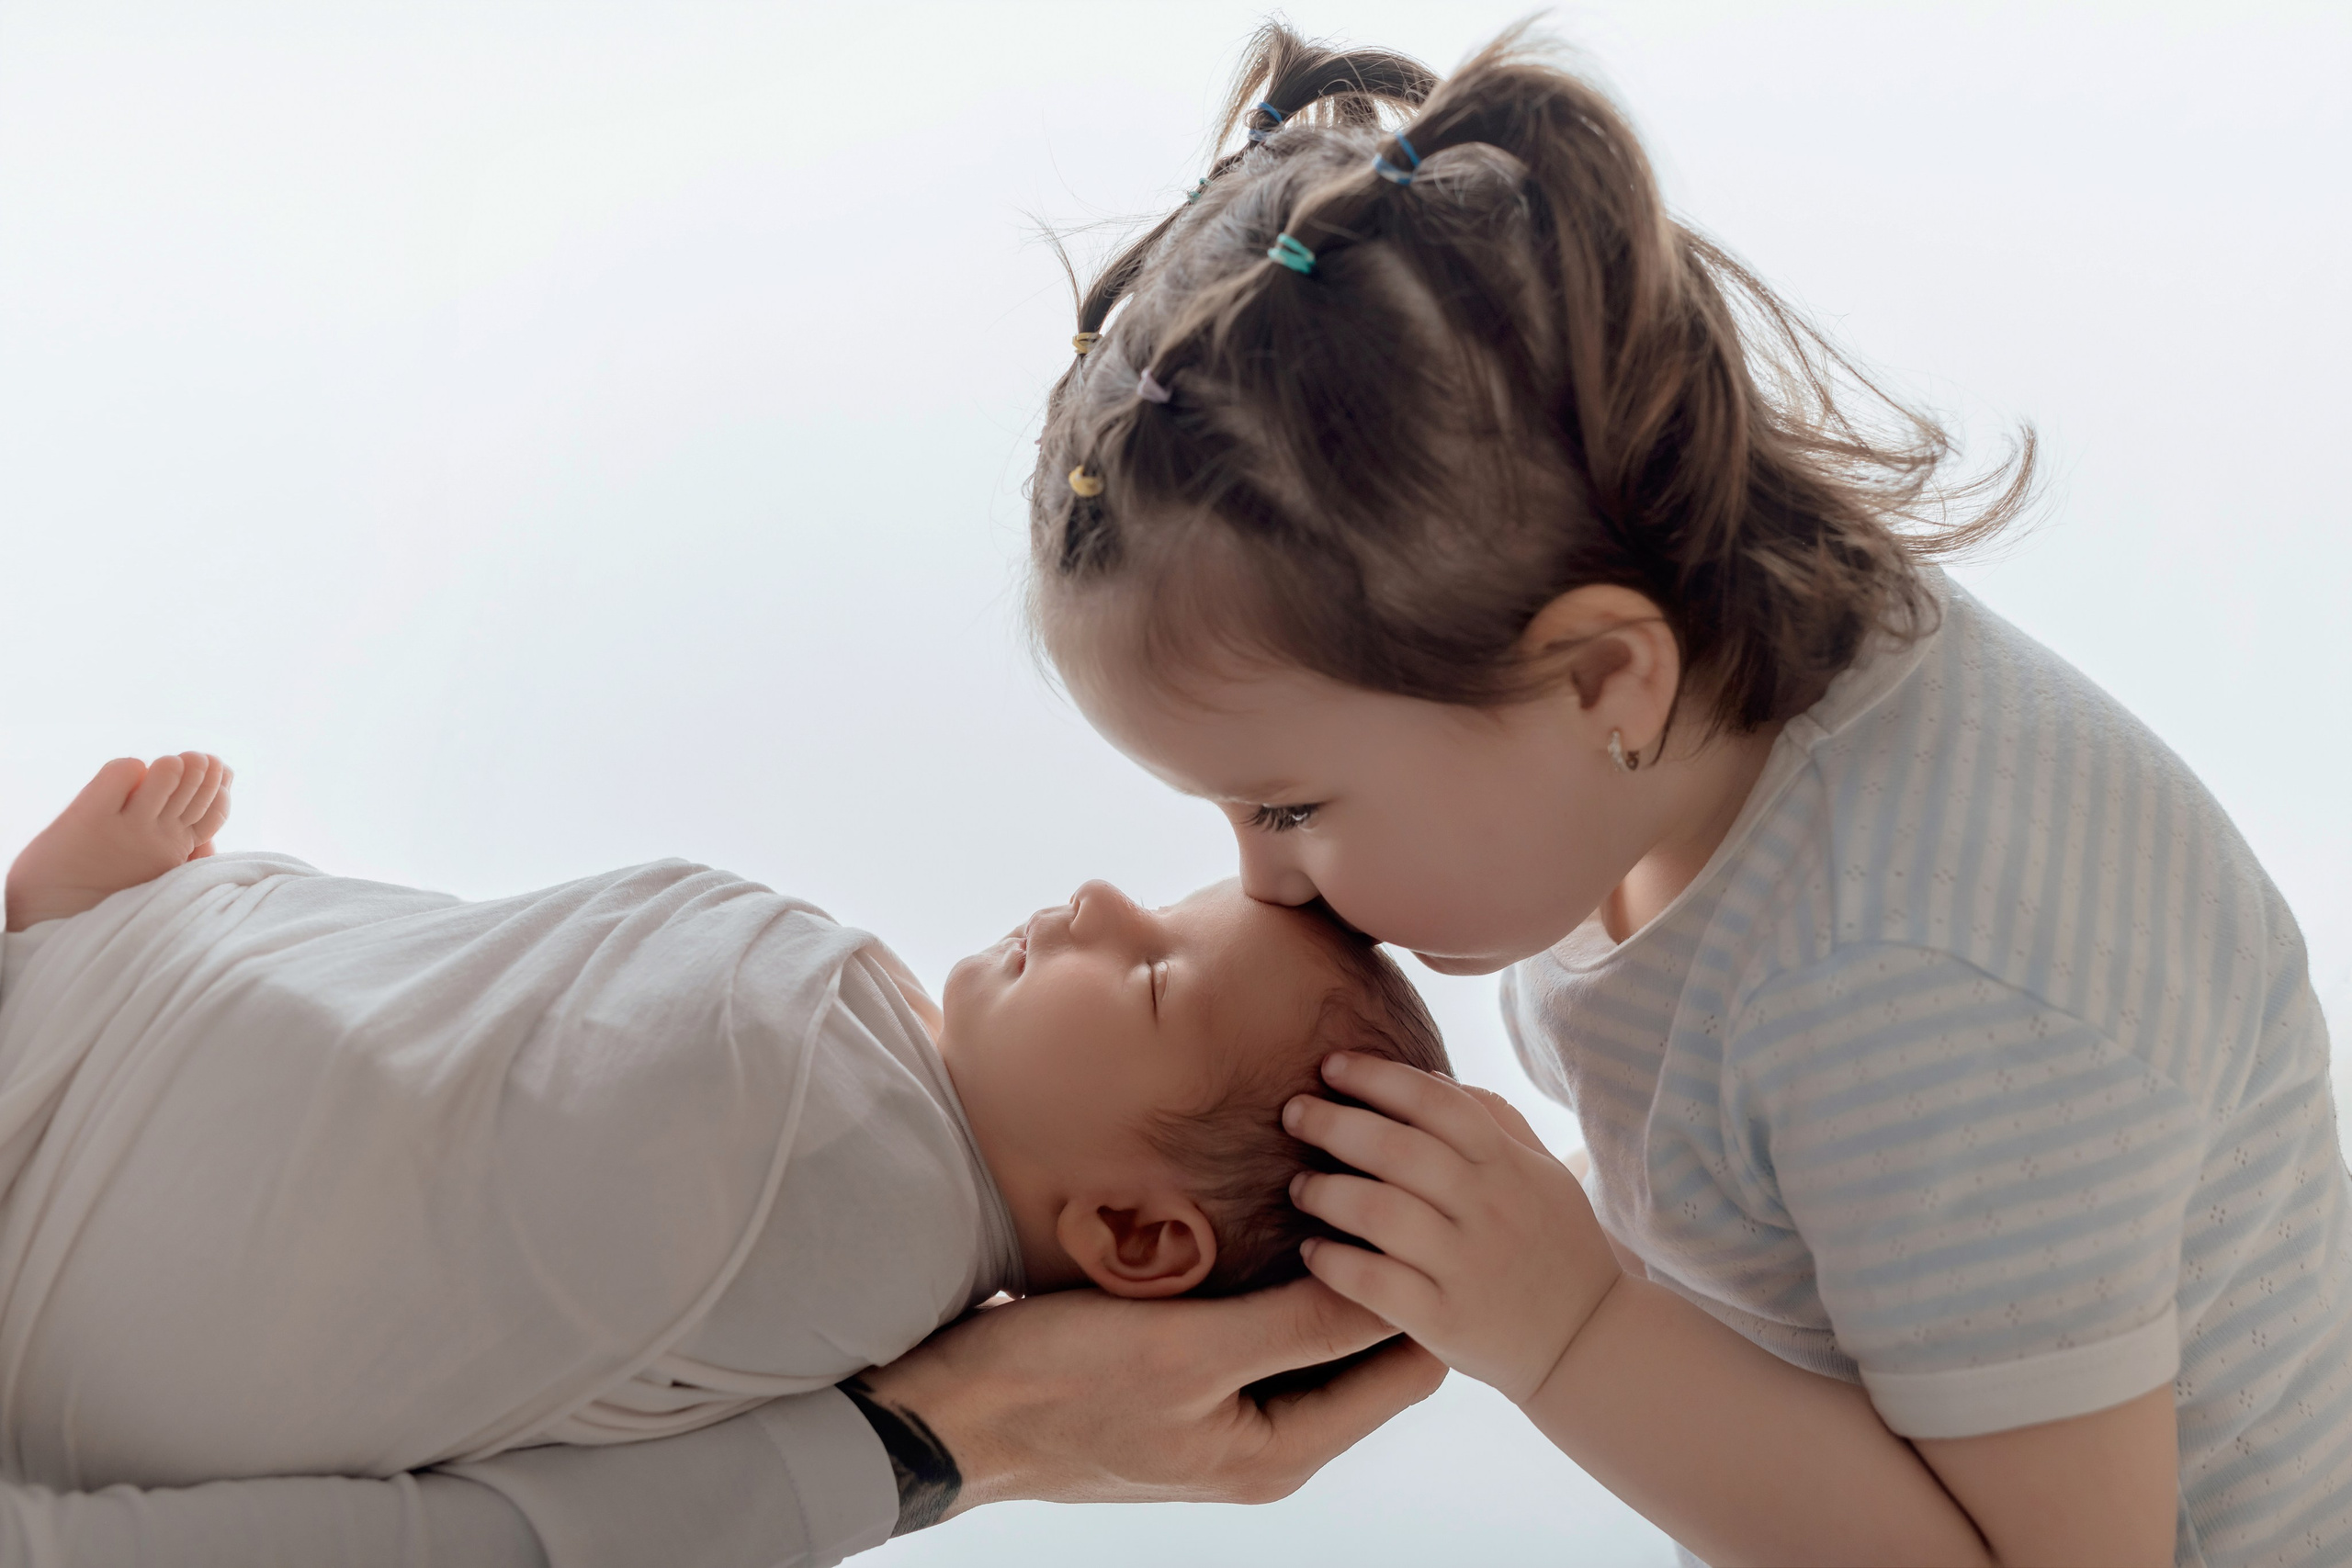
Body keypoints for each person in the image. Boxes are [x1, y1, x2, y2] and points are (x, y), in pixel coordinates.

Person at [1025, 20, 2348, 1568]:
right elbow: (1785, 1193)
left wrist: (1574, 1326)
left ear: (1602, 680)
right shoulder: (1665, 765)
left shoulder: (1915, 981)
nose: (1261, 882)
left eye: (1293, 807)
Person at [0, 751, 1447, 1566]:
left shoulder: (861, 1211)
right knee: (365, 1022)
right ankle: (89, 944)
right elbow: (453, 999)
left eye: (1153, 983)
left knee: (320, 1112)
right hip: (161, 1049)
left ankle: (82, 954)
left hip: (92, 1208)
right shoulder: (861, 1123)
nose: (1098, 898)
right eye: (1163, 905)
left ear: (1137, 1240)